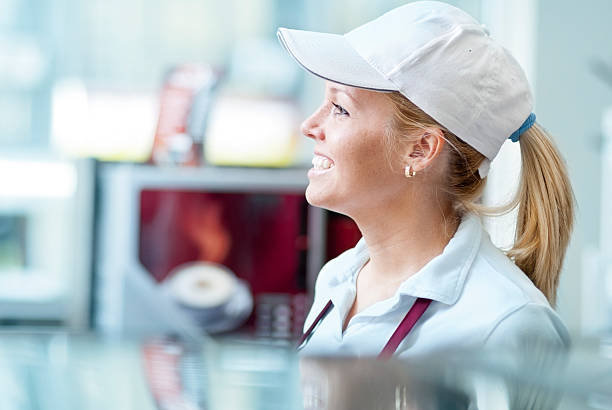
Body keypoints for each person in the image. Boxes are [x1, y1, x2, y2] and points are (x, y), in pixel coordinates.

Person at [277, 1, 575, 359]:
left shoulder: (504, 324)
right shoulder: (338, 279)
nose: (309, 126)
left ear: (420, 149)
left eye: (340, 108)